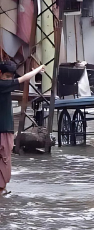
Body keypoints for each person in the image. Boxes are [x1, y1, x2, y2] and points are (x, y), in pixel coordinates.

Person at [0, 62, 45, 194]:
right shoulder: (3, 85)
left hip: (4, 128)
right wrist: (37, 69)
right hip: (4, 128)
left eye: (10, 77)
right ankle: (1, 188)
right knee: (5, 159)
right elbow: (23, 78)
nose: (9, 79)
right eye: (7, 76)